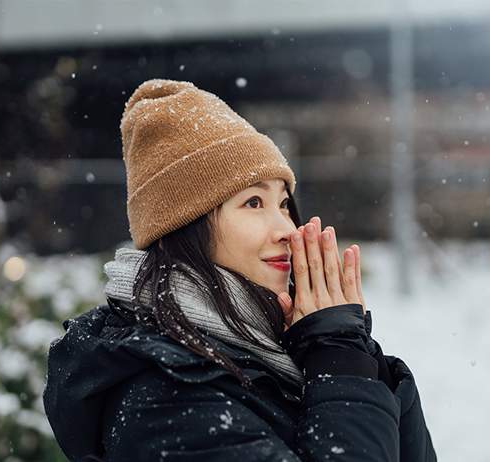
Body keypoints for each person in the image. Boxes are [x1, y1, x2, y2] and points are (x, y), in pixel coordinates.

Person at [43, 79, 437, 461]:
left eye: (284, 204)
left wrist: (351, 353)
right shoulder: (163, 401)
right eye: (253, 203)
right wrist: (342, 367)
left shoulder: (277, 346)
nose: (287, 228)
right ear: (186, 226)